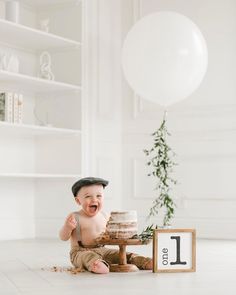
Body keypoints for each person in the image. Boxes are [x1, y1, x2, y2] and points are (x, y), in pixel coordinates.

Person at [59, 177, 152, 274]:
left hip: (103, 249)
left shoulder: (105, 216)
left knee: (120, 254)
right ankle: (96, 264)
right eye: (88, 196)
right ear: (78, 201)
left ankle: (143, 261)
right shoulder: (75, 217)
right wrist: (67, 227)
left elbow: (111, 234)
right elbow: (63, 237)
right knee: (87, 257)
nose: (94, 199)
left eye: (99, 196)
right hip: (80, 251)